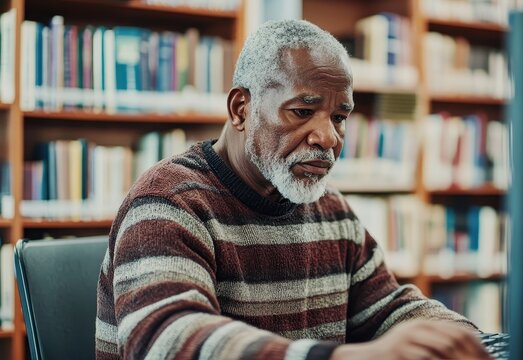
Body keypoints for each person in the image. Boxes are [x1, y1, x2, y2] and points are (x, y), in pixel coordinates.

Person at [96, 20, 492, 360]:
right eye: (302, 111)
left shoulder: (330, 208)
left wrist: (462, 341)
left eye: (340, 117)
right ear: (240, 110)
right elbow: (168, 341)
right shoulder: (168, 203)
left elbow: (388, 307)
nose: (328, 138)